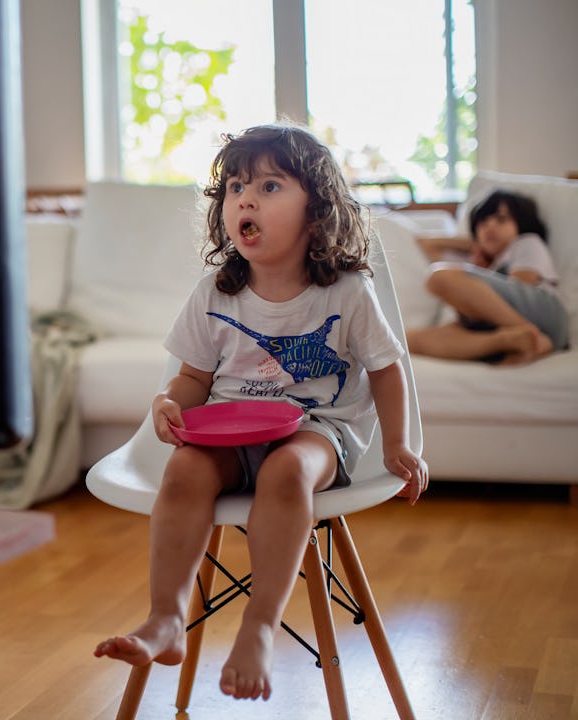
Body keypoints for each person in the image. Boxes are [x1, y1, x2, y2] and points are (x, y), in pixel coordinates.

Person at [94, 124, 429, 702]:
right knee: (185, 472)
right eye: (235, 187)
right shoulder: (214, 293)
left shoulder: (347, 291)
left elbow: (385, 368)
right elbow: (196, 378)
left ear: (317, 214)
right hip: (226, 426)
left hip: (317, 429)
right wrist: (170, 403)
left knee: (287, 471)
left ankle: (259, 626)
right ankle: (167, 619)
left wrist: (398, 444)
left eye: (270, 186)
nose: (244, 198)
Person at [406, 190, 570, 364]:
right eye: (483, 222)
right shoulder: (485, 264)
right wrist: (477, 245)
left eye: (501, 219)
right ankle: (505, 341)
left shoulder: (526, 242)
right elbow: (428, 244)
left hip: (545, 318)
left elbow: (522, 283)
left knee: (437, 277)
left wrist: (478, 280)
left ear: (521, 223)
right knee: (408, 340)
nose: (490, 226)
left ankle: (529, 334)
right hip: (496, 328)